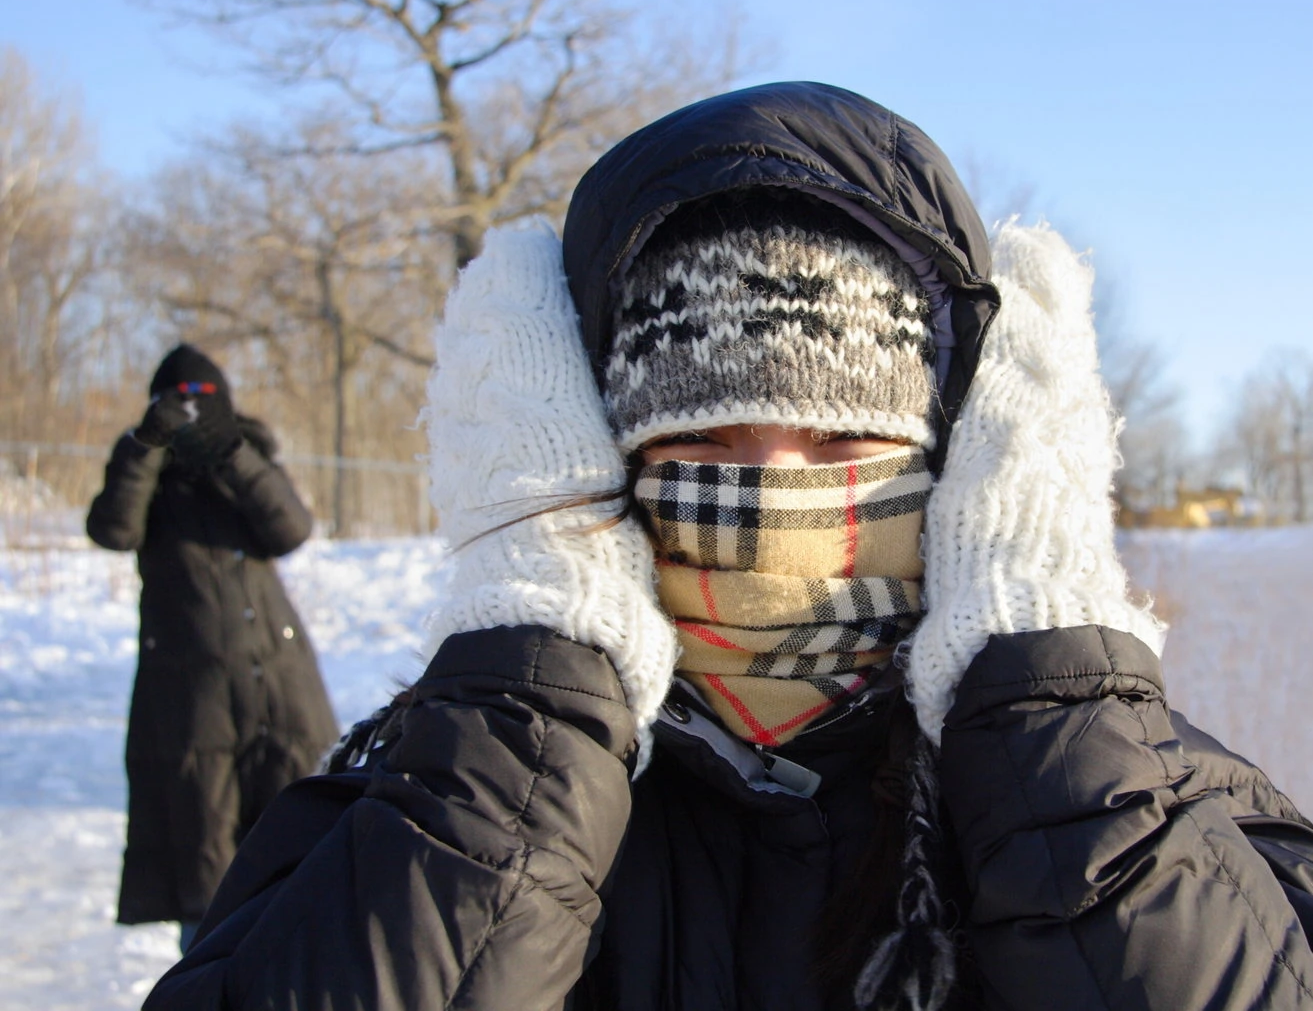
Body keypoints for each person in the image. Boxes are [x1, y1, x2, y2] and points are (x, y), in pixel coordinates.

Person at [144, 85, 1313, 1009]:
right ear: (593, 462)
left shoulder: (1146, 797)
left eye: (848, 437)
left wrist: (1042, 690)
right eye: (699, 435)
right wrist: (535, 681)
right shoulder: (435, 795)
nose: (772, 490)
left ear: (967, 464)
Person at [87, 344, 339, 951]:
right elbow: (112, 529)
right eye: (178, 402)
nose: (191, 413)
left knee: (298, 869)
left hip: (277, 695)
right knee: (207, 884)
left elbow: (290, 529)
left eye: (204, 401)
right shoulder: (150, 479)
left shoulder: (248, 458)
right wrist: (146, 445)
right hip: (189, 710)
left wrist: (231, 452)